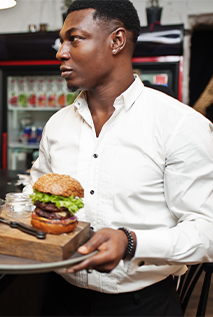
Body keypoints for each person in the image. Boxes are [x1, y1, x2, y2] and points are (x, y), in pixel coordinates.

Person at [30, 0, 213, 316]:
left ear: (116, 41)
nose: (60, 52)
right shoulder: (57, 125)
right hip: (60, 298)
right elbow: (34, 197)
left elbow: (206, 231)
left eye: (74, 38)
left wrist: (131, 243)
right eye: (62, 41)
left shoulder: (180, 124)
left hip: (142, 305)